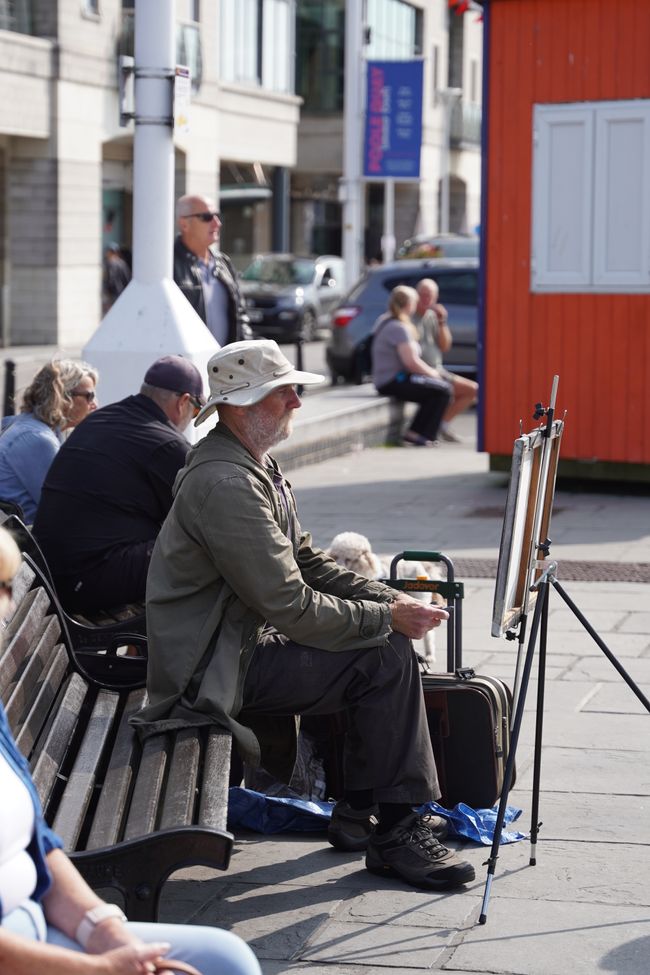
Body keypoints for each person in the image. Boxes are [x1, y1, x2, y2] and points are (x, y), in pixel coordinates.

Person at [131, 339, 475, 893]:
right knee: (384, 656)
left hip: (229, 647)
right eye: (285, 391)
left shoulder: (251, 463)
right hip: (208, 669)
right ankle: (394, 829)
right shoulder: (227, 483)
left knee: (381, 645)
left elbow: (307, 560)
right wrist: (386, 622)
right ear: (243, 406)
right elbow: (291, 605)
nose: (296, 401)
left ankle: (364, 812)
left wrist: (390, 601)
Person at [0, 526, 261, 975]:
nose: (4, 606)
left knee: (226, 958)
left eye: (5, 587)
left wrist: (109, 935)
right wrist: (104, 969)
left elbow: (38, 845)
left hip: (37, 927)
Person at [33, 355, 205, 614]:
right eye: (196, 411)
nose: (191, 419)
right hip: (86, 580)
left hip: (55, 574)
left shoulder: (101, 419)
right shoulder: (167, 445)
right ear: (183, 402)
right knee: (200, 547)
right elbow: (208, 516)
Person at [0, 360, 98, 523]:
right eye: (89, 396)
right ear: (64, 397)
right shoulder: (36, 439)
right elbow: (67, 507)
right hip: (27, 543)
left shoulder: (28, 427)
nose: (94, 404)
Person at [371, 285, 452, 446]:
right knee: (443, 390)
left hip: (391, 379)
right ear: (409, 305)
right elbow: (411, 362)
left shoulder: (386, 320)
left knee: (438, 389)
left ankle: (419, 432)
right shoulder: (398, 328)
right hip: (393, 381)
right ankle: (418, 434)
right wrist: (433, 373)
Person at [173, 194, 251, 345]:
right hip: (189, 365)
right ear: (184, 224)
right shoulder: (168, 264)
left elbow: (241, 316)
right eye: (207, 217)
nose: (217, 223)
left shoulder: (223, 263)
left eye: (217, 215)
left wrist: (246, 354)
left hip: (225, 365)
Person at [412, 278, 479, 443]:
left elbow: (445, 345)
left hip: (437, 368)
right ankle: (438, 427)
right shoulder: (410, 316)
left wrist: (442, 321)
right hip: (422, 370)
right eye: (423, 295)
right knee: (455, 390)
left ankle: (442, 425)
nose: (426, 300)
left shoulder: (432, 317)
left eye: (431, 296)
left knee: (473, 390)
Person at [102, 242, 132, 313]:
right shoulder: (121, 263)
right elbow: (128, 278)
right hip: (117, 293)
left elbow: (111, 280)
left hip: (114, 294)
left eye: (109, 252)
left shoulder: (114, 264)